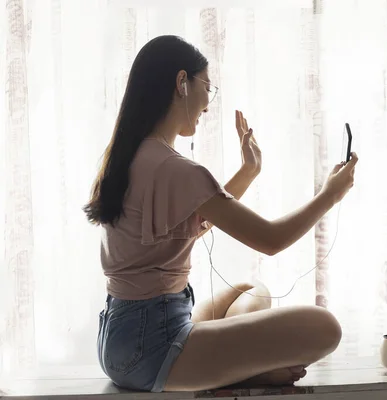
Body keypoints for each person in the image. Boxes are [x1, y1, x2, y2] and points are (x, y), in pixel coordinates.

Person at [84, 35, 358, 393]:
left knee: (251, 289)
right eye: (207, 88)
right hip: (153, 347)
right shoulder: (174, 168)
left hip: (119, 340)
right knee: (326, 327)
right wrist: (330, 195)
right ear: (182, 83)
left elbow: (189, 226)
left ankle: (231, 363)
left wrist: (247, 172)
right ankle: (246, 370)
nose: (207, 106)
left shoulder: (130, 156)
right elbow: (270, 240)